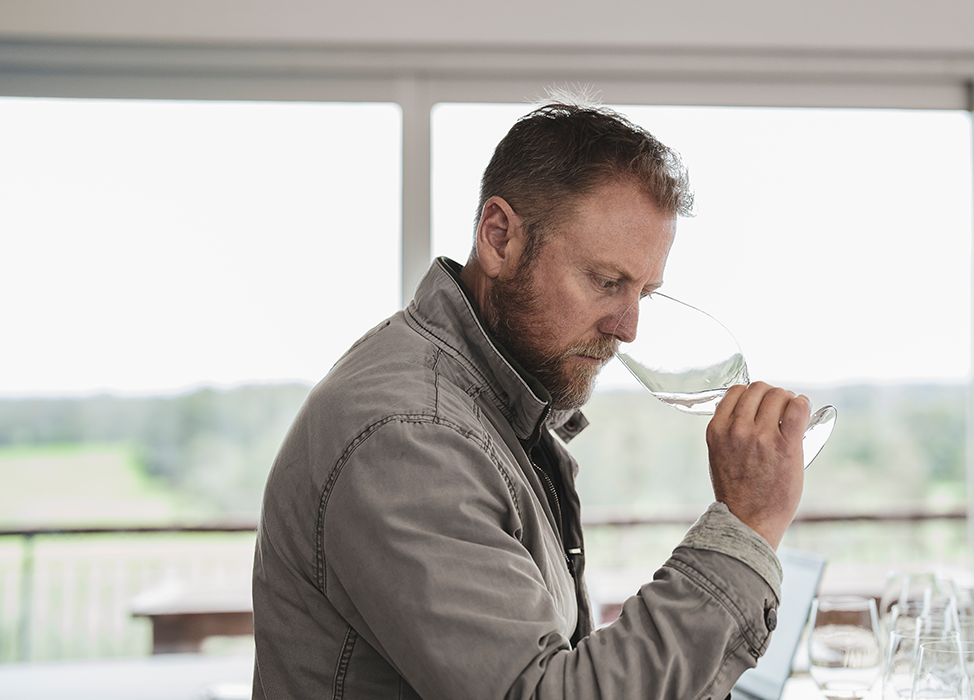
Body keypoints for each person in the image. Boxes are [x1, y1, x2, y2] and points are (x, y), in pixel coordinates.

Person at [252, 100, 812, 700]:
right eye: (605, 281)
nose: (629, 327)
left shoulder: (488, 405)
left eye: (644, 293)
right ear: (499, 238)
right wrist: (745, 527)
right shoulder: (410, 435)